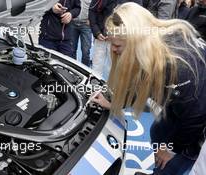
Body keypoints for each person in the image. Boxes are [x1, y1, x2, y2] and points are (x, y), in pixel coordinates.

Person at [90, 2, 206, 175]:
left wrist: (172, 150)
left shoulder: (177, 66)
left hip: (200, 121)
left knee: (173, 162)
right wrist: (113, 102)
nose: (112, 50)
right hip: (184, 105)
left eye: (117, 46)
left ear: (136, 41)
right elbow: (142, 85)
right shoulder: (152, 45)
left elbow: (194, 118)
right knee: (157, 133)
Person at [71, 0, 93, 67]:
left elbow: (94, 7)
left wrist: (91, 19)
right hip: (73, 23)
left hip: (86, 25)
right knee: (72, 49)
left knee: (86, 51)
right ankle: (72, 70)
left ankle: (85, 72)